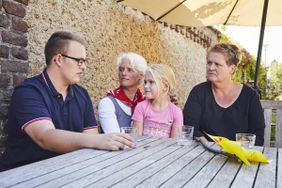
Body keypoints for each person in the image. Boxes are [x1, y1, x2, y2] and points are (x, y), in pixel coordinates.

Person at [0, 31, 133, 171]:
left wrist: (101, 142)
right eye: (79, 61)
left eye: (84, 62)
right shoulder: (28, 91)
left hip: (68, 172)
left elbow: (91, 139)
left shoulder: (81, 94)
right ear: (59, 59)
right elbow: (45, 136)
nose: (84, 67)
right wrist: (99, 140)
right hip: (21, 176)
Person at [183, 43, 265, 146]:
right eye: (209, 63)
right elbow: (190, 126)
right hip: (203, 151)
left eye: (217, 64)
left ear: (232, 69)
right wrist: (206, 143)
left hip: (239, 155)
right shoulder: (198, 92)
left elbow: (257, 134)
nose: (211, 67)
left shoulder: (250, 96)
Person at [98, 52, 147, 133]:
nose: (123, 73)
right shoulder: (108, 103)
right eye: (121, 69)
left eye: (129, 70)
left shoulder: (145, 102)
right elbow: (115, 138)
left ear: (141, 75)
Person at [132, 64, 183, 138]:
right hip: (143, 149)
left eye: (151, 82)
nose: (146, 86)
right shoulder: (141, 107)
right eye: (145, 82)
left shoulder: (176, 112)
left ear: (165, 86)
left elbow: (175, 143)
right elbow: (136, 139)